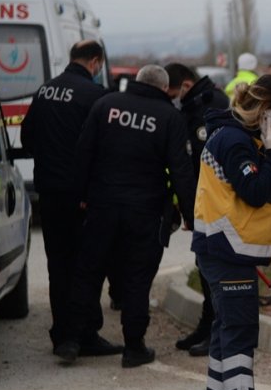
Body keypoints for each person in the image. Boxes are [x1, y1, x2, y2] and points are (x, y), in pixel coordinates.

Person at [59, 65, 198, 368]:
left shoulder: (106, 105)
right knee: (137, 278)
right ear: (164, 89)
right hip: (145, 212)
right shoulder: (170, 118)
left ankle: (71, 340)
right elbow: (181, 172)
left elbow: (83, 152)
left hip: (102, 206)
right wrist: (190, 215)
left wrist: (80, 197)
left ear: (136, 82)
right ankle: (134, 347)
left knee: (87, 273)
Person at [192, 75, 271, 390]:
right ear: (263, 109)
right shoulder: (235, 141)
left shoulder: (232, 135)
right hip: (226, 251)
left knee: (225, 332)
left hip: (222, 249)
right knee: (238, 336)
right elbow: (255, 192)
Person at [20, 40, 121, 359]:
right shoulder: (97, 97)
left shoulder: (44, 91)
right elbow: (107, 151)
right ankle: (84, 335)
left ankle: (62, 334)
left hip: (49, 195)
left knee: (59, 264)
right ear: (95, 62)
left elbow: (27, 139)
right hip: (84, 198)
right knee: (87, 265)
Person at [164, 63, 230, 357]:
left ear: (186, 85)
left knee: (213, 270)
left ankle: (216, 330)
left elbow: (205, 163)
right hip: (201, 202)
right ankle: (207, 326)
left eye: (174, 92)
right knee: (204, 267)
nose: (172, 98)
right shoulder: (193, 107)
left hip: (214, 203)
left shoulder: (209, 106)